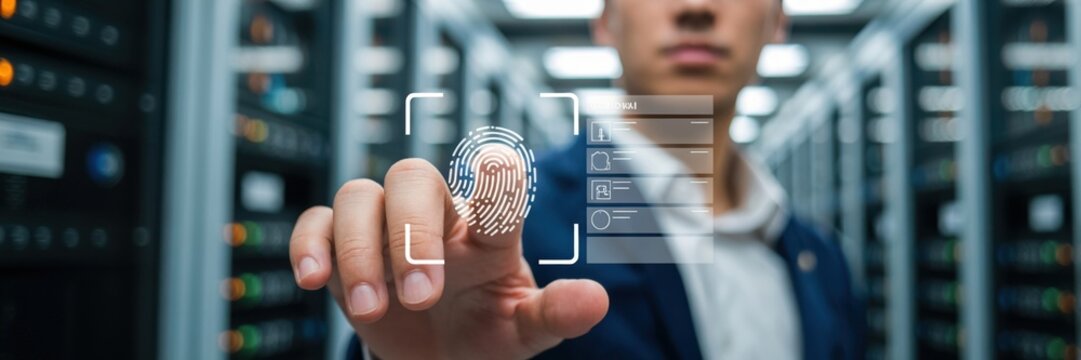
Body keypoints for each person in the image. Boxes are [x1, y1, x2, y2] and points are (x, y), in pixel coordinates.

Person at [288, 0, 863, 358]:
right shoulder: (502, 229)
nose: (695, 6)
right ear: (605, 22)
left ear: (779, 19)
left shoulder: (820, 259)